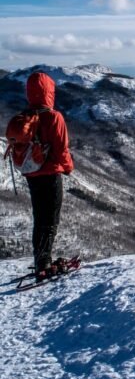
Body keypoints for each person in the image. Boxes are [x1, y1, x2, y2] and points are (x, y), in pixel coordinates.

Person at [23, 72, 74, 279]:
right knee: (50, 220)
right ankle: (43, 264)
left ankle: (40, 259)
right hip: (51, 175)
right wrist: (68, 168)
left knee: (40, 217)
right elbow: (62, 150)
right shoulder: (54, 117)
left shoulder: (25, 116)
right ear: (49, 92)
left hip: (32, 174)